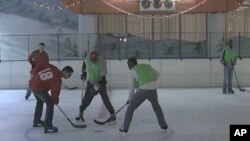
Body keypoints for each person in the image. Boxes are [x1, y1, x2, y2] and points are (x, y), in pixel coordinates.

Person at [119, 57, 168, 135]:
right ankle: (164, 125)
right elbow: (158, 75)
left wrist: (129, 99)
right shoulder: (147, 66)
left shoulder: (132, 71)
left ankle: (124, 129)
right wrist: (150, 82)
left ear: (132, 63)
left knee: (130, 108)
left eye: (128, 63)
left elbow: (131, 88)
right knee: (156, 107)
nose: (127, 65)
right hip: (153, 90)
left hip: (143, 91)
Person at [29, 64, 74, 133]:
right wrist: (55, 100)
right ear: (65, 71)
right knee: (50, 103)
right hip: (38, 87)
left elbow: (43, 65)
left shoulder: (54, 69)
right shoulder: (57, 78)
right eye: (69, 75)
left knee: (40, 101)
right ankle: (48, 126)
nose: (69, 77)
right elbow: (55, 91)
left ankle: (37, 121)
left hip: (32, 83)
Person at [76, 50, 116, 123]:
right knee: (86, 99)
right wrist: (83, 74)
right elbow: (84, 68)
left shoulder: (102, 62)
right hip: (90, 82)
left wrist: (97, 87)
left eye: (95, 60)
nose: (93, 61)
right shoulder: (87, 60)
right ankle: (81, 113)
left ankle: (112, 113)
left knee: (105, 98)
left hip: (100, 82)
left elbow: (103, 78)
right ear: (90, 58)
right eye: (92, 60)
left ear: (97, 58)